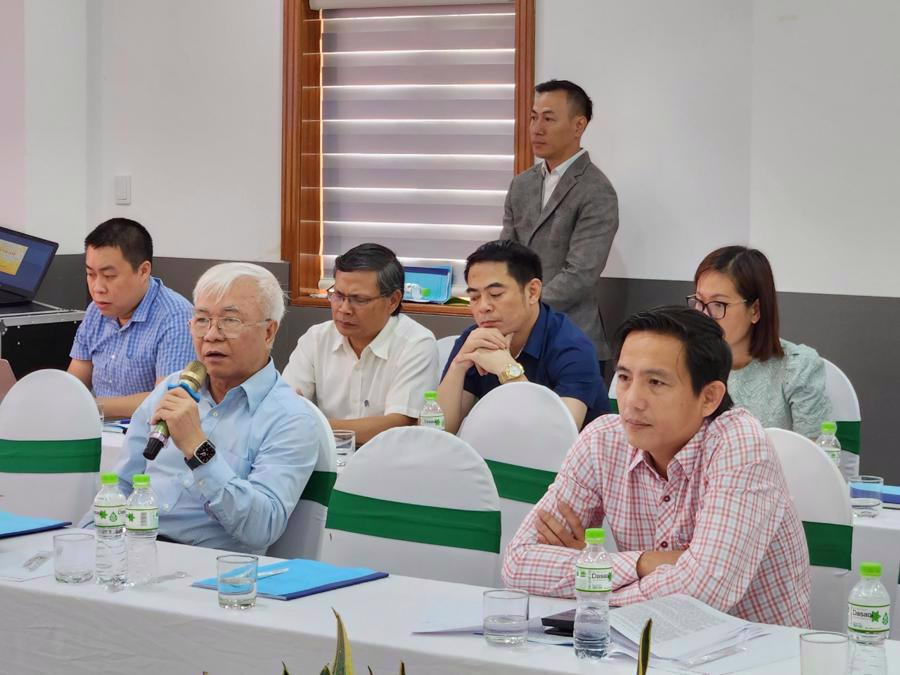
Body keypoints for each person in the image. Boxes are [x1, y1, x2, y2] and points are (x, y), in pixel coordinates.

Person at [502, 306, 810, 628]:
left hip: (754, 655)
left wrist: (595, 584)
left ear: (709, 397)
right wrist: (643, 563)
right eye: (624, 378)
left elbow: (702, 593)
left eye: (656, 382)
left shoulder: (740, 445)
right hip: (643, 647)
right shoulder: (602, 441)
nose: (632, 399)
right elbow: (519, 563)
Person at [108, 263, 324, 554]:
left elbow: (261, 528)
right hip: (135, 551)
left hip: (212, 574)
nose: (211, 335)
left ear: (269, 332)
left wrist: (198, 448)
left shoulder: (291, 418)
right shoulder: (172, 389)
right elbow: (121, 486)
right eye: (201, 320)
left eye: (230, 321)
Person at [500, 79, 618, 365]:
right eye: (533, 117)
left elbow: (580, 274)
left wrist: (523, 309)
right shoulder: (521, 184)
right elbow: (504, 255)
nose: (537, 128)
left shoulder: (596, 189)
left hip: (572, 339)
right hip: (518, 338)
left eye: (549, 119)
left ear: (579, 126)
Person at [438, 240, 607, 434]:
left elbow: (557, 437)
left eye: (496, 294)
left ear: (532, 292)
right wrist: (458, 365)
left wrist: (507, 369)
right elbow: (441, 432)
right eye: (475, 297)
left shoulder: (573, 347)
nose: (483, 306)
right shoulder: (474, 339)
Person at [282, 243, 439, 445]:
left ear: (393, 301)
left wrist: (311, 425)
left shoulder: (417, 344)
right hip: (325, 458)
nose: (344, 309)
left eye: (359, 299)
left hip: (387, 462)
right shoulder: (316, 338)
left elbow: (399, 425)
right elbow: (285, 410)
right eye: (337, 295)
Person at [689, 246, 831, 438]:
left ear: (755, 310)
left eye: (718, 305)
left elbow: (815, 457)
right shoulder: (688, 363)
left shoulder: (797, 368)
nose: (705, 316)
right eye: (699, 302)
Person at [68, 218, 194, 418]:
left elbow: (167, 400)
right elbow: (74, 381)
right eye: (90, 274)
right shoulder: (96, 311)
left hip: (147, 437)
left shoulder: (176, 317)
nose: (97, 288)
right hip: (95, 427)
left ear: (143, 271)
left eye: (109, 276)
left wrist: (88, 406)